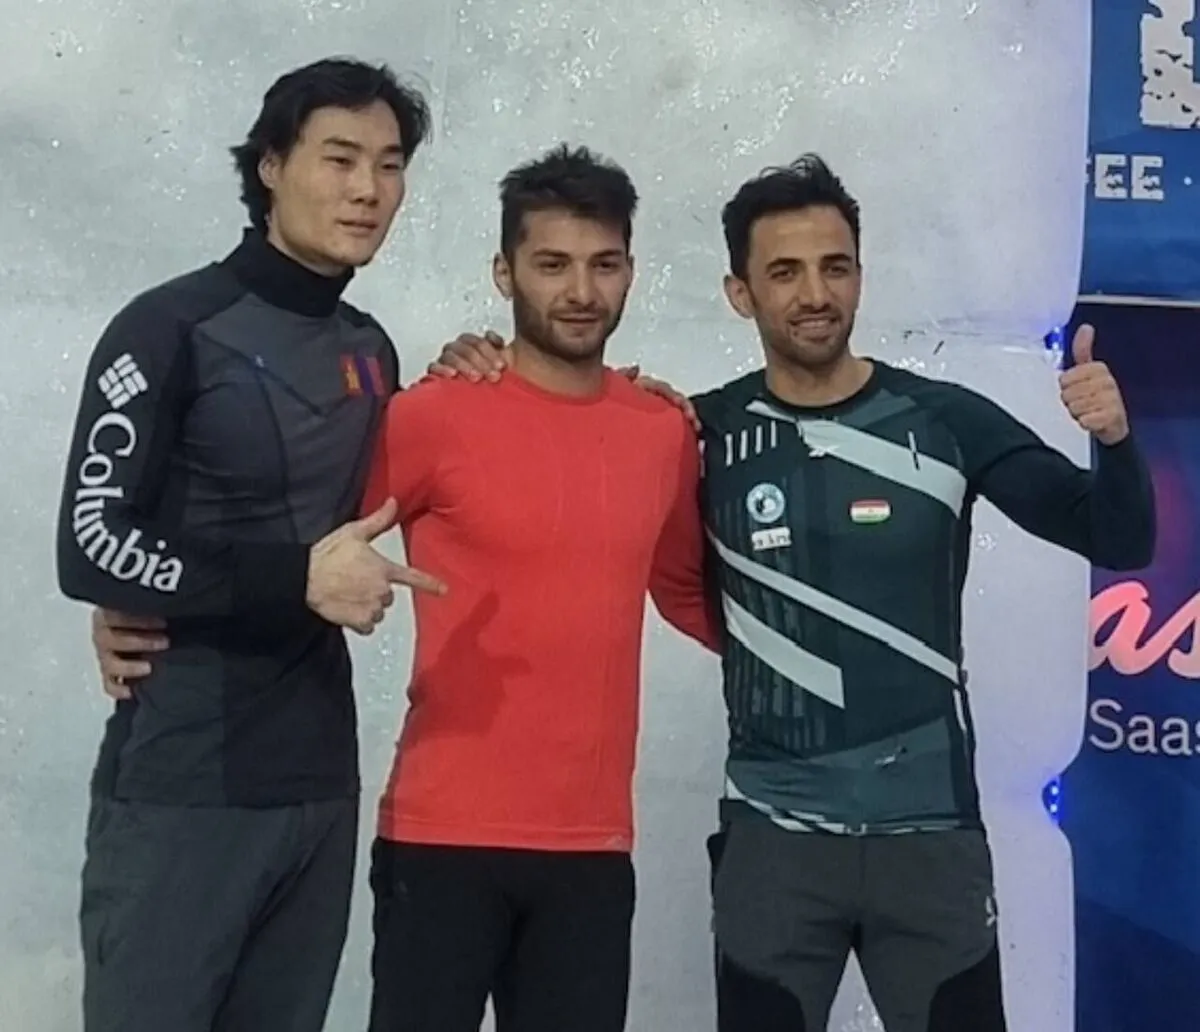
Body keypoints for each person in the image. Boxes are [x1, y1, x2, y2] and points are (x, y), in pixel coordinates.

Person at [426, 153, 1157, 1031]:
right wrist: (477, 364)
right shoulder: (693, 432)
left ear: (859, 276)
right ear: (741, 293)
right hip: (773, 849)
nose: (815, 293)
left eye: (834, 267)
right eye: (784, 272)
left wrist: (1115, 440)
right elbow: (561, 458)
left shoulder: (944, 420)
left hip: (931, 843)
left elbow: (1118, 538)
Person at [54, 57, 445, 1032]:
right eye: (339, 158)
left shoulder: (370, 349)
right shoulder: (168, 327)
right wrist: (292, 578)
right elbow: (91, 543)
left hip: (316, 785)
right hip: (184, 784)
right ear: (271, 165)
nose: (367, 189)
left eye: (389, 165)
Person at [358, 143, 714, 1032]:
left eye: (604, 264)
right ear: (504, 271)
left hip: (591, 850)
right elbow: (314, 550)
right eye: (552, 265)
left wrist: (838, 659)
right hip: (440, 836)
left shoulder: (662, 431)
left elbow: (688, 593)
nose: (581, 291)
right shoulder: (430, 415)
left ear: (631, 270)